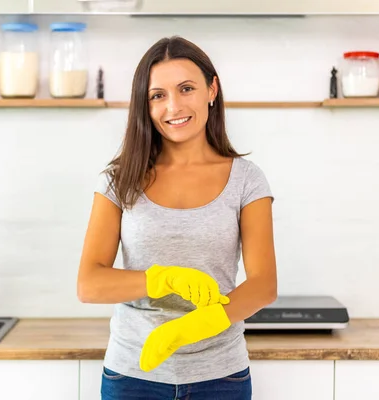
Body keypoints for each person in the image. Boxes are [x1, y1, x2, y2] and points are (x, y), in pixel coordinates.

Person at [76, 35, 278, 400]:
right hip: (132, 375)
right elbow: (90, 284)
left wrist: (194, 326)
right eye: (158, 95)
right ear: (145, 105)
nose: (174, 106)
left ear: (211, 90)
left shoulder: (247, 179)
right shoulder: (118, 180)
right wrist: (160, 279)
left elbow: (264, 284)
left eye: (186, 88)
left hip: (221, 378)